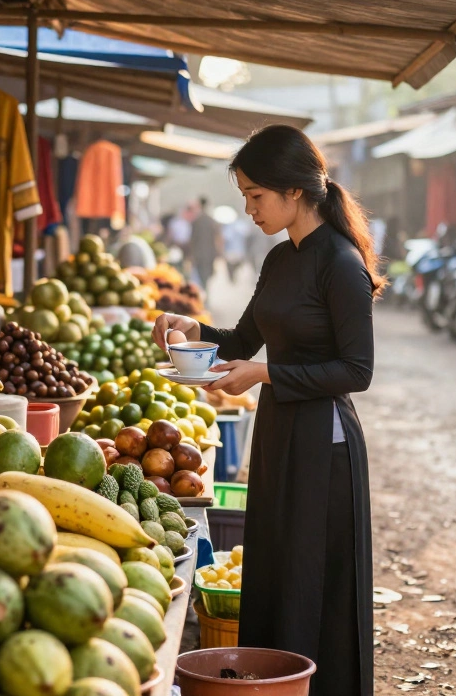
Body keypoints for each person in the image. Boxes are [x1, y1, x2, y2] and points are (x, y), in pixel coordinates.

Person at [153, 124, 381, 696]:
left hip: (324, 444)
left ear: (294, 190)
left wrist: (267, 375)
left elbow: (357, 371)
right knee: (274, 569)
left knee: (311, 579)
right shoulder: (280, 259)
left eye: (256, 195)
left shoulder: (341, 263)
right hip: (279, 430)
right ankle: (272, 683)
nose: (249, 209)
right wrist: (192, 328)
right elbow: (241, 341)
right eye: (245, 196)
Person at [188, 196, 223, 289]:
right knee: (206, 275)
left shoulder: (196, 221)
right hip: (210, 253)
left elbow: (192, 240)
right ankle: (205, 290)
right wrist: (219, 252)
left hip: (198, 254)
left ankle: (204, 290)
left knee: (201, 276)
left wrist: (191, 254)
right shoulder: (212, 221)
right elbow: (217, 238)